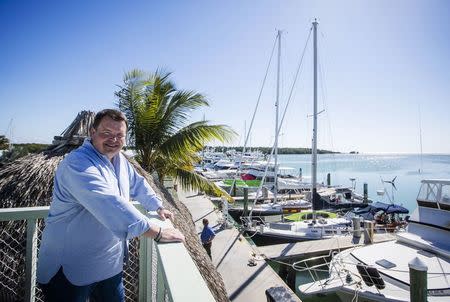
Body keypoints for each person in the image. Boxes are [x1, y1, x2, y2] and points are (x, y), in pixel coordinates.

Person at [36, 109, 184, 302]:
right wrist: (156, 232)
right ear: (92, 132)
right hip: (70, 268)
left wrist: (157, 206)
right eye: (106, 133)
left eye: (119, 135)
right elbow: (109, 203)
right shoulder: (78, 164)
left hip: (109, 265)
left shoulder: (119, 159)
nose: (113, 139)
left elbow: (137, 183)